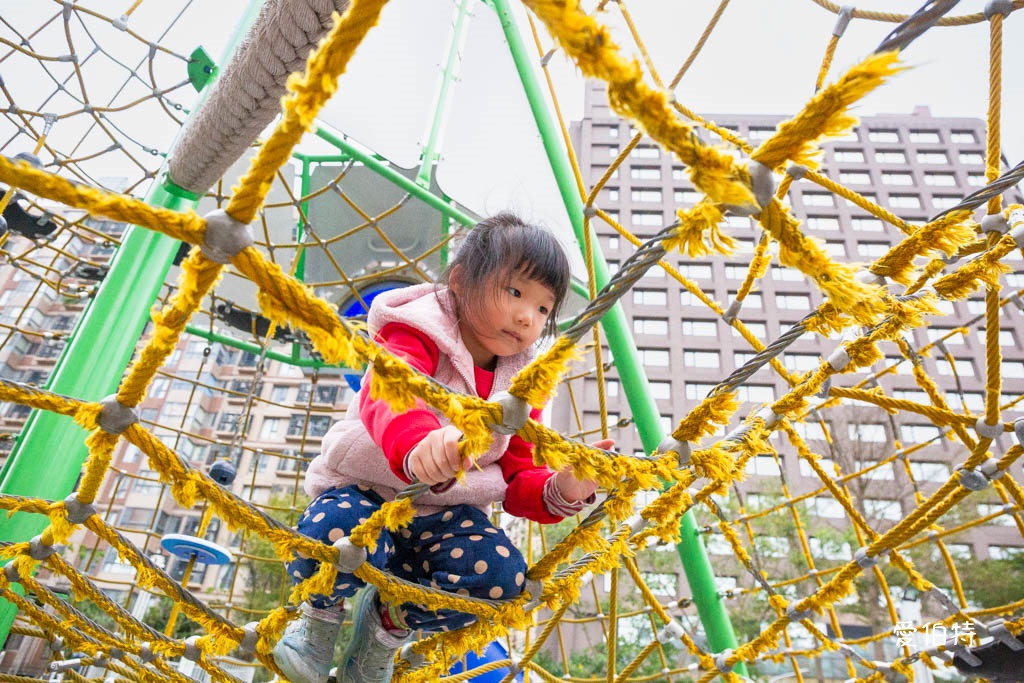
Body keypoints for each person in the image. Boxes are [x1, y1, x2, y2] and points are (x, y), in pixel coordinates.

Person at [272, 213, 612, 683]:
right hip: (368, 491)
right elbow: (391, 389)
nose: (526, 317)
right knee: (334, 529)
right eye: (515, 292)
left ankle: (384, 629)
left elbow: (519, 474)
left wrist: (563, 488)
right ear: (461, 281)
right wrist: (418, 442)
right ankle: (318, 620)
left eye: (542, 308)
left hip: (446, 516)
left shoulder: (523, 382)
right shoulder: (416, 329)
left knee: (501, 578)